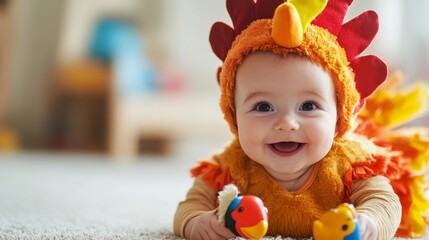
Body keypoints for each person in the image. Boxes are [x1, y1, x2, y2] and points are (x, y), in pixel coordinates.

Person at [174, 0, 429, 239]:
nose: (287, 123)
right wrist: (196, 222)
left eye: (308, 106)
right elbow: (191, 205)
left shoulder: (349, 163)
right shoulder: (231, 165)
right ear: (234, 115)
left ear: (339, 116)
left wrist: (368, 222)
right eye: (263, 106)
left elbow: (385, 201)